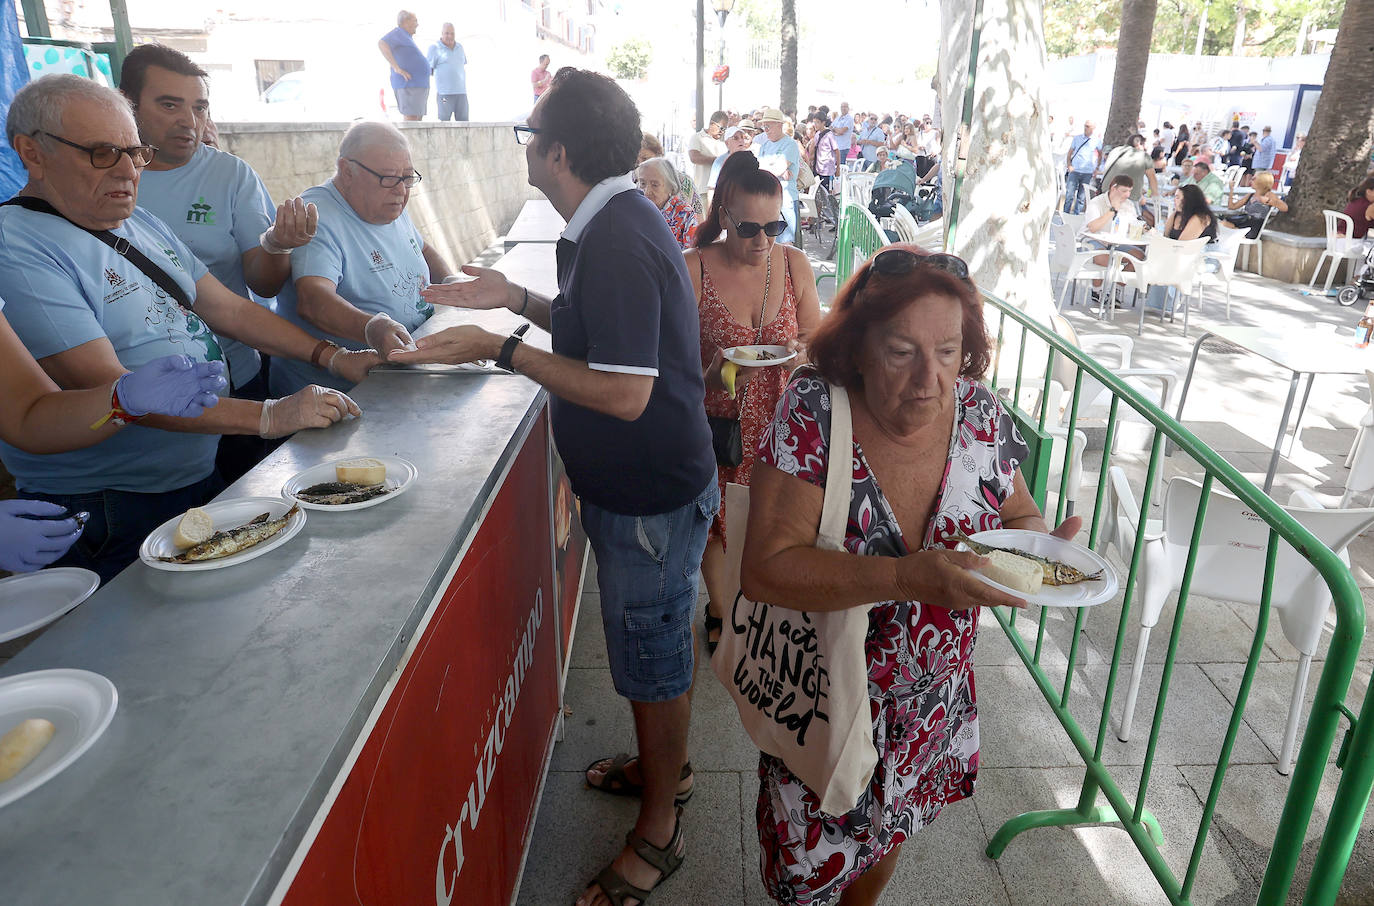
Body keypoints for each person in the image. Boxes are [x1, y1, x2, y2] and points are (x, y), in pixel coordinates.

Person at [390, 68, 718, 906]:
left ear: (558, 150)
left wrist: (496, 347)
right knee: (652, 647)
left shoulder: (613, 234)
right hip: (645, 487)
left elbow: (624, 391)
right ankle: (659, 770)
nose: (525, 148)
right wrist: (518, 298)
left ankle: (660, 824)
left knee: (653, 659)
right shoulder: (609, 220)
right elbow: (600, 335)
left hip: (649, 497)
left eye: (528, 134)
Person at [740, 245, 1075, 904]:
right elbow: (766, 569)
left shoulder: (981, 414)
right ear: (859, 347)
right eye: (901, 352)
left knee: (886, 843)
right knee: (805, 877)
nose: (929, 379)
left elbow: (1022, 513)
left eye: (947, 352)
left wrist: (1041, 559)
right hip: (825, 697)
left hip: (930, 705)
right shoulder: (814, 412)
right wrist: (903, 579)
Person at [0, 75, 374, 582]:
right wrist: (268, 416)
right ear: (32, 152)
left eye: (136, 153)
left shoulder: (140, 223)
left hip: (193, 473)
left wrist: (332, 355)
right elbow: (105, 391)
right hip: (110, 504)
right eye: (103, 153)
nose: (129, 171)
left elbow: (231, 311)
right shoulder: (17, 245)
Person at [120, 43, 318, 483]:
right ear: (125, 103)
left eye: (199, 106)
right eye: (169, 104)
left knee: (250, 507)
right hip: (138, 397)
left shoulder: (230, 174)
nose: (188, 121)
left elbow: (258, 289)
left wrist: (278, 246)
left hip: (234, 373)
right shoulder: (106, 185)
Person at [687, 152, 821, 656]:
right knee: (717, 521)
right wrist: (710, 375)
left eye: (775, 226)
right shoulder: (693, 267)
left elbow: (813, 336)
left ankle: (768, 604)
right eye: (748, 228)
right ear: (724, 216)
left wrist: (800, 356)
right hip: (718, 418)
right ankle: (721, 609)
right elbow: (667, 362)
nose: (762, 241)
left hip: (785, 418)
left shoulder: (793, 264)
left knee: (778, 517)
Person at [271, 122, 456, 398]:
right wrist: (371, 328)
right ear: (347, 171)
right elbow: (313, 300)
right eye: (390, 178)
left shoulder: (388, 201)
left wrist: (452, 284)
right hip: (343, 392)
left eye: (407, 178)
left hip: (404, 375)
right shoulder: (319, 216)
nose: (401, 190)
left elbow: (421, 248)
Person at [1146, 183, 1220, 315]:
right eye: (1175, 197)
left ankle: (1168, 303)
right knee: (1156, 256)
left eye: (1179, 198)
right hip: (1179, 251)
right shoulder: (1177, 214)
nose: (1175, 201)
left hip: (1202, 257)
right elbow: (1166, 235)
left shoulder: (1200, 217)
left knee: (1168, 260)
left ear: (1190, 200)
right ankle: (1158, 302)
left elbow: (1184, 244)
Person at [752, 107, 803, 246]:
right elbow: (757, 171)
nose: (765, 129)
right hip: (767, 199)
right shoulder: (765, 145)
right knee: (771, 242)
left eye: (768, 125)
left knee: (787, 243)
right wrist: (775, 169)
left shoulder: (790, 144)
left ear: (779, 125)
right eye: (764, 126)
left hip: (785, 200)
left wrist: (775, 168)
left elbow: (777, 168)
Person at [378, 10, 429, 121]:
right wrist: (397, 68)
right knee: (411, 118)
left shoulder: (406, 37)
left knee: (416, 120)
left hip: (417, 85)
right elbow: (382, 43)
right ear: (406, 21)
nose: (417, 24)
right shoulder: (398, 33)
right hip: (408, 85)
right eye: (415, 21)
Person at [636, 157, 697, 249]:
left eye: (655, 185)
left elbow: (692, 252)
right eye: (643, 184)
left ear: (670, 186)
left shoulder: (685, 213)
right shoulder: (635, 209)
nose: (647, 192)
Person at [1099, 132, 1158, 206]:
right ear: (1139, 144)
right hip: (1126, 199)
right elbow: (1152, 179)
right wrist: (1155, 196)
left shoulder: (1115, 150)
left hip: (1105, 194)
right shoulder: (1143, 156)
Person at [1223, 170, 1287, 239]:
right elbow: (1232, 207)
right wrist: (1231, 190)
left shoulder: (1268, 195)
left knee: (1223, 228)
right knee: (1220, 224)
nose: (1251, 181)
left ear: (1261, 182)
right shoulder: (1251, 195)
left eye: (1254, 179)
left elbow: (1284, 208)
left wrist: (1269, 201)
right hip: (1244, 223)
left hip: (1253, 228)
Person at [427, 22, 468, 122]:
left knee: (464, 125)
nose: (450, 36)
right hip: (444, 95)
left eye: (452, 33)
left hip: (461, 93)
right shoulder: (434, 48)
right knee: (444, 124)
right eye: (447, 33)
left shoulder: (460, 47)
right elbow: (429, 70)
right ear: (442, 33)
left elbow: (460, 66)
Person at [1063, 119, 1102, 215]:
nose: (1086, 128)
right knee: (1069, 195)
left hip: (1087, 172)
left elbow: (1101, 154)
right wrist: (1069, 165)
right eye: (1085, 126)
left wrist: (1097, 168)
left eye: (1088, 126)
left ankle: (1076, 215)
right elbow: (1069, 153)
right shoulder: (1077, 138)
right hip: (1075, 170)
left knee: (1081, 197)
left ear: (1093, 128)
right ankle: (1065, 215)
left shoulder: (1096, 140)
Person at [686, 109, 728, 196]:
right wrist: (718, 161)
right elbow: (694, 158)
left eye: (725, 129)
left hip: (722, 191)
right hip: (703, 190)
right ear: (712, 124)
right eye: (721, 128)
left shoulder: (725, 141)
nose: (722, 132)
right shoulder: (697, 137)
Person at [707, 121, 757, 190]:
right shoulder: (720, 161)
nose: (741, 140)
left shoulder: (751, 159)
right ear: (727, 143)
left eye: (742, 137)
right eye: (735, 138)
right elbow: (712, 188)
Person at [807, 112, 838, 192]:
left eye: (817, 122)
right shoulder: (817, 134)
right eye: (814, 122)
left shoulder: (829, 135)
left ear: (823, 122)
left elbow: (837, 151)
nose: (815, 124)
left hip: (827, 168)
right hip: (818, 167)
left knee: (826, 191)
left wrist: (838, 168)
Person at [831, 100, 854, 166]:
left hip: (843, 147)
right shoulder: (838, 118)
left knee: (840, 167)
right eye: (842, 107)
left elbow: (842, 131)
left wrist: (835, 129)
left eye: (845, 107)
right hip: (836, 146)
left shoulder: (849, 119)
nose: (843, 108)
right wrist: (836, 130)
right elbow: (830, 127)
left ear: (848, 108)